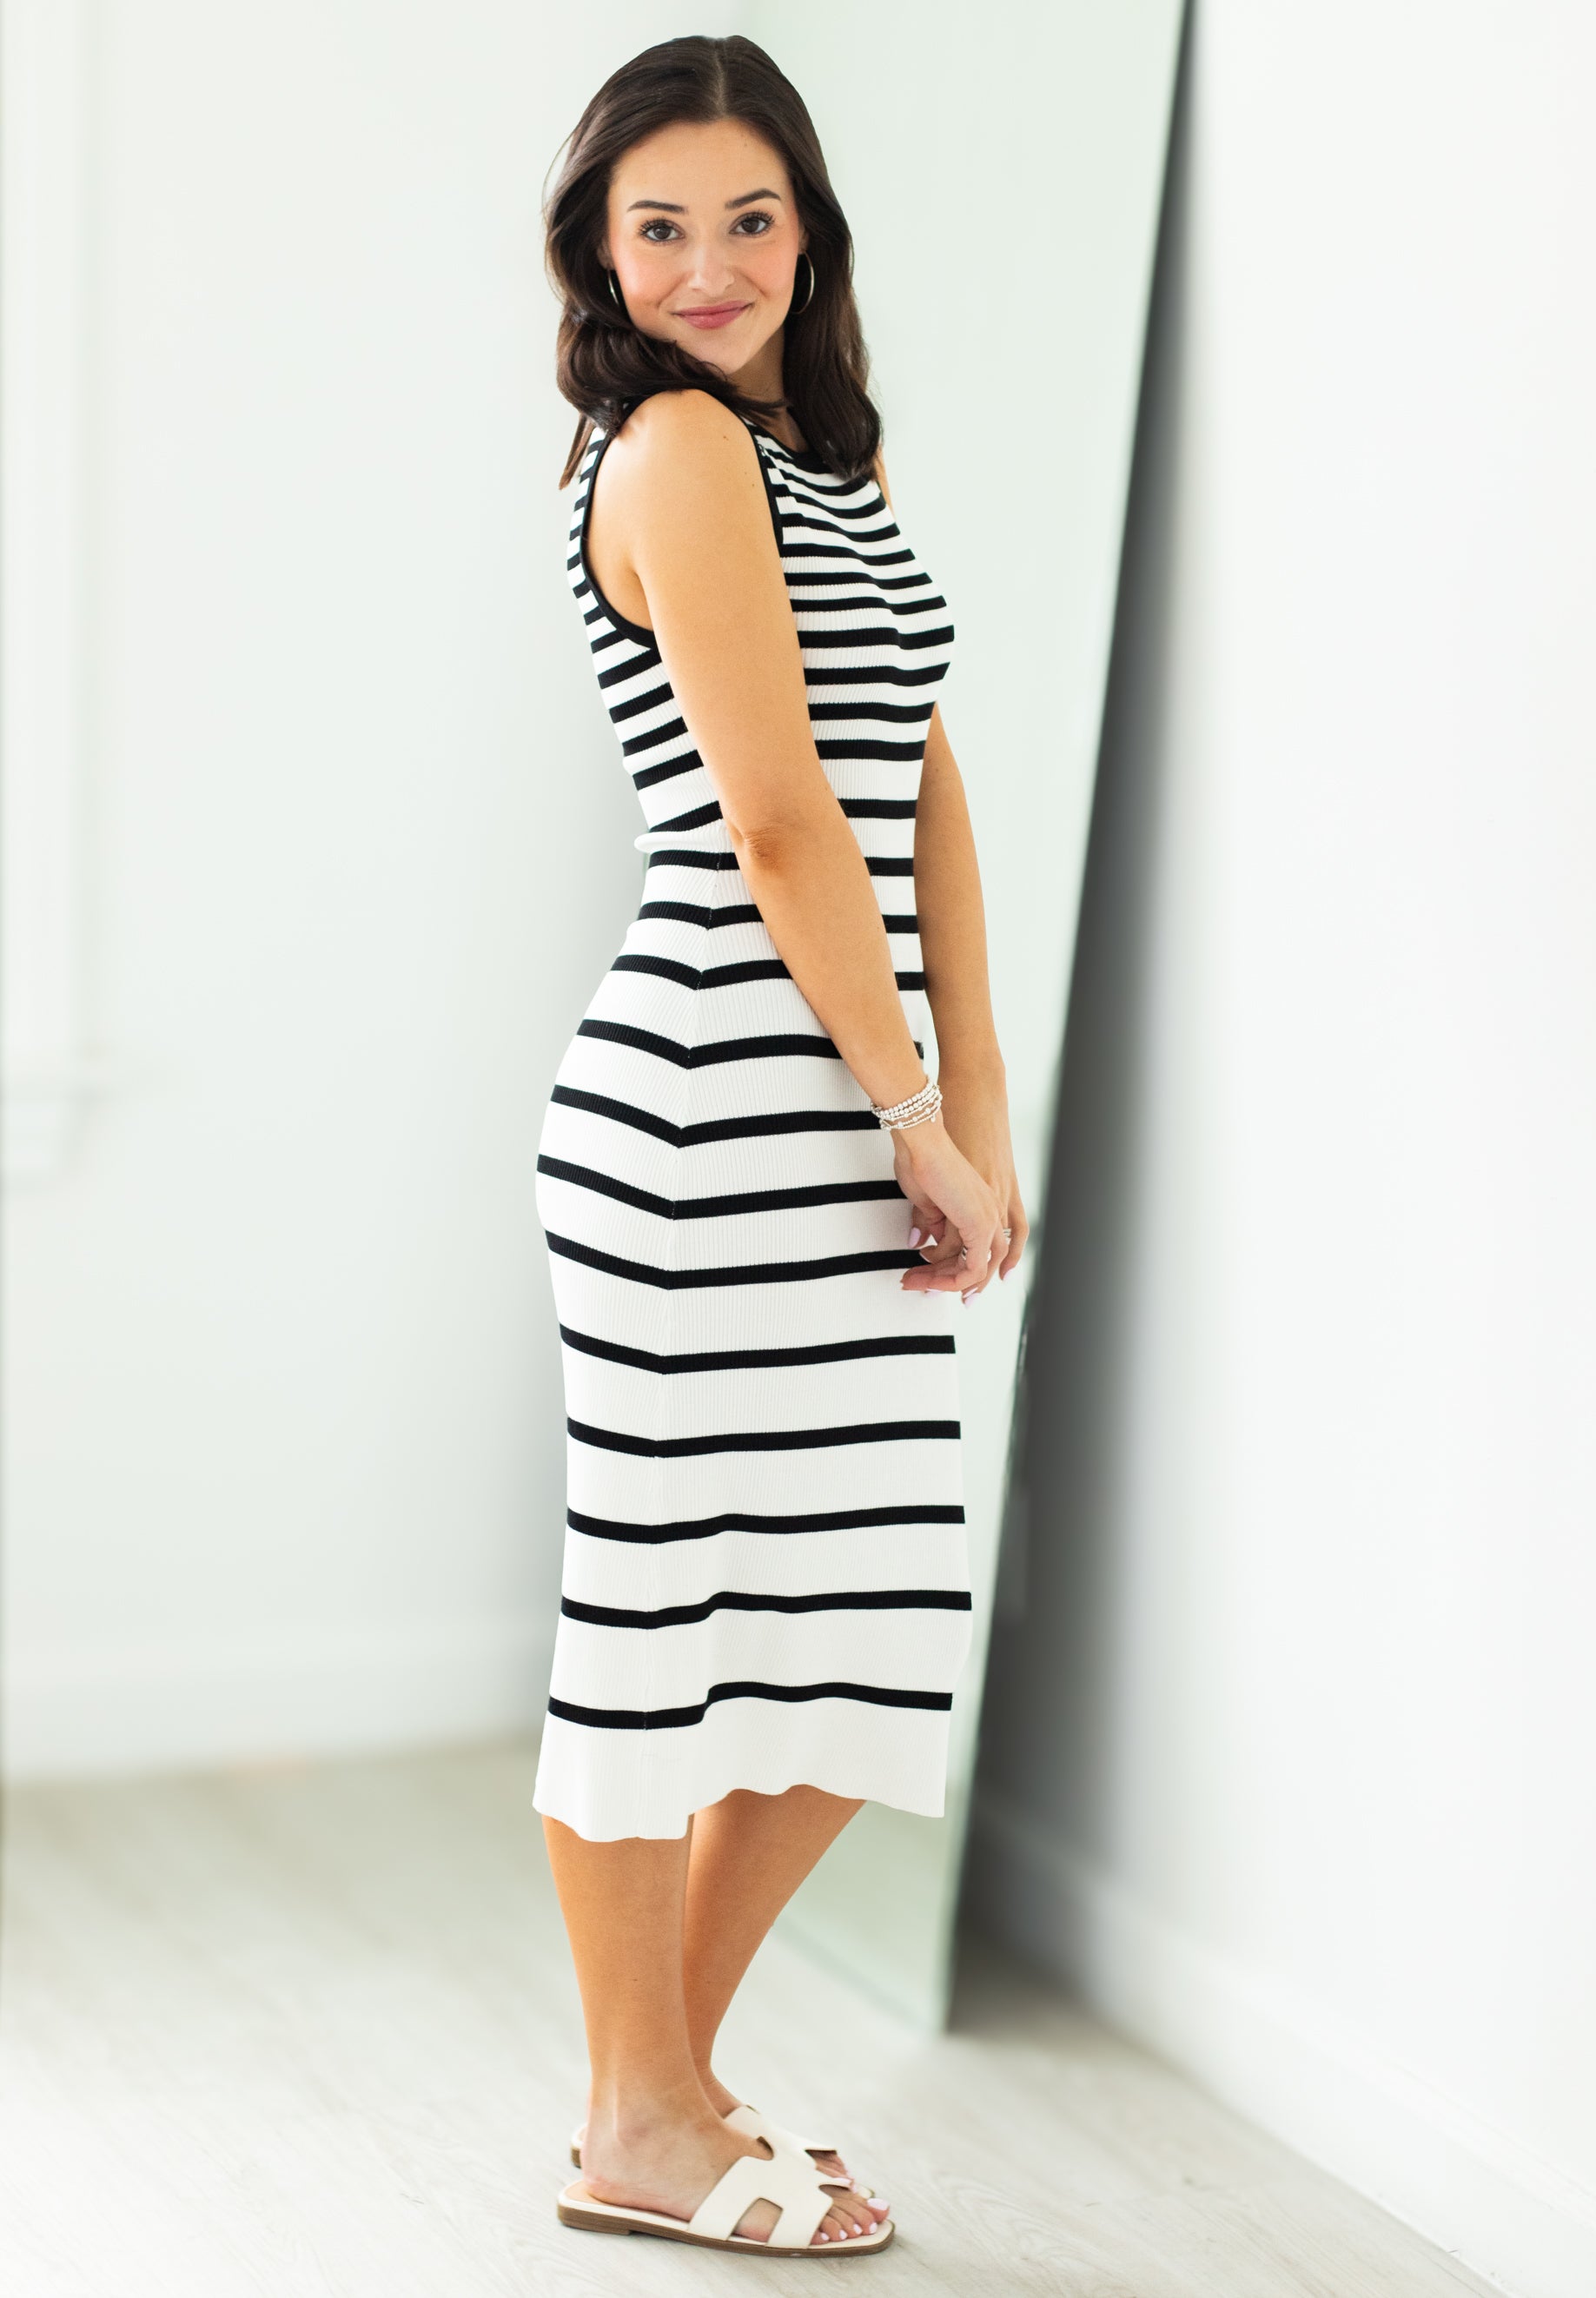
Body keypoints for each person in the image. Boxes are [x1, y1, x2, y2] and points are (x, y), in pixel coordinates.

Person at [533, 34, 1026, 2259]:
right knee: (663, 1622)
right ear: (601, 252)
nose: (711, 265)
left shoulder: (832, 452)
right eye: (663, 226)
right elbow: (776, 816)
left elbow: (922, 790)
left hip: (852, 1112)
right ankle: (647, 2118)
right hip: (715, 1109)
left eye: (749, 218)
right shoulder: (667, 452)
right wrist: (909, 1108)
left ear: (806, 227)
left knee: (868, 1621)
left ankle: (654, 2094)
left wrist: (980, 1112)